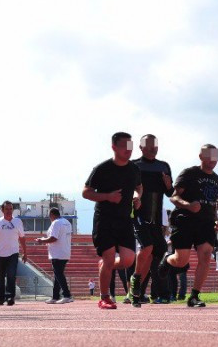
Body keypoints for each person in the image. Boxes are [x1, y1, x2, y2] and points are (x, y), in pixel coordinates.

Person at [82, 132, 142, 310]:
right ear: (114, 147)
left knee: (128, 260)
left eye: (130, 146)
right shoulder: (102, 169)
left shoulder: (134, 169)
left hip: (124, 220)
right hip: (105, 219)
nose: (128, 150)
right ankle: (105, 297)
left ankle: (104, 266)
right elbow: (86, 192)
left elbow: (139, 186)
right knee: (109, 259)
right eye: (124, 146)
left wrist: (138, 197)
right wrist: (107, 196)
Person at [162, 144, 218, 308]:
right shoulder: (189, 173)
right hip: (185, 220)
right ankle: (167, 261)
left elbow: (213, 204)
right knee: (181, 261)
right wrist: (189, 205)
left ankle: (194, 296)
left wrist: (216, 220)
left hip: (206, 224)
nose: (212, 161)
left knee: (206, 254)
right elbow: (174, 198)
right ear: (201, 156)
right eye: (209, 156)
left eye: (215, 157)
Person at [131, 134, 173, 306]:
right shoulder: (134, 165)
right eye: (148, 146)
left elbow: (171, 193)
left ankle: (139, 289)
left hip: (155, 218)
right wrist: (135, 197)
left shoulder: (163, 166)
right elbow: (130, 188)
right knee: (148, 247)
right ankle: (137, 281)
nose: (152, 149)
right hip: (138, 214)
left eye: (155, 146)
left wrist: (169, 185)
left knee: (160, 250)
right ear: (140, 147)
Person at [37, 207, 73, 303]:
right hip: (65, 251)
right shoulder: (67, 222)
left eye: (49, 216)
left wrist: (41, 241)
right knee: (57, 275)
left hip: (57, 253)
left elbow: (53, 238)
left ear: (52, 214)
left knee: (59, 274)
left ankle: (67, 295)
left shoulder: (56, 223)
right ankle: (55, 296)